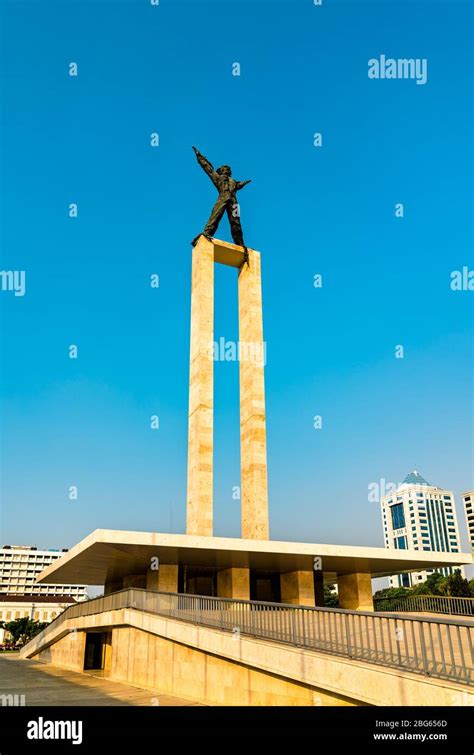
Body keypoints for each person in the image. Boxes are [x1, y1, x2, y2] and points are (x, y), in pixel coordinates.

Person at [191, 146, 251, 264]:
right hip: (223, 198)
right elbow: (208, 168)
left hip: (234, 203)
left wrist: (245, 182)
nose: (228, 170)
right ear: (222, 171)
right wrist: (199, 156)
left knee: (236, 222)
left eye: (228, 169)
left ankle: (239, 243)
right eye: (226, 168)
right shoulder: (218, 178)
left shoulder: (234, 181)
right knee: (216, 216)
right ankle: (207, 233)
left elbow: (239, 184)